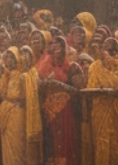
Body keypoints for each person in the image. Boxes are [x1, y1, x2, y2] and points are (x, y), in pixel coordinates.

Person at [36, 36, 81, 165]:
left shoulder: (72, 67)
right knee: (51, 145)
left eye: (59, 47)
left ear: (64, 49)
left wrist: (60, 85)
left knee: (65, 142)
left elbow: (78, 92)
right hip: (48, 112)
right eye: (52, 48)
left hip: (65, 111)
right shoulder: (43, 69)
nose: (55, 51)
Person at [85, 37, 118, 165]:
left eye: (113, 51)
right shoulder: (95, 67)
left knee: (117, 145)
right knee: (100, 145)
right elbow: (90, 88)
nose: (109, 54)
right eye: (106, 50)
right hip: (100, 112)